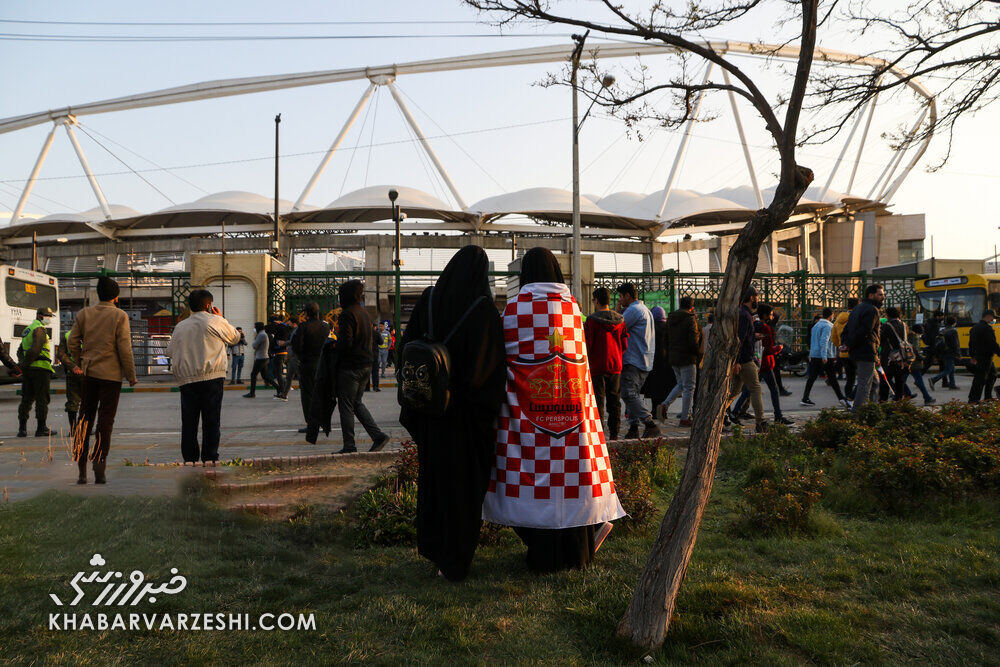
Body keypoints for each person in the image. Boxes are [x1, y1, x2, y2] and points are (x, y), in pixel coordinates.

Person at [483, 247, 624, 573]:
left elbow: (507, 358)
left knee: (535, 487)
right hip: (573, 416)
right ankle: (580, 550)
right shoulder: (573, 310)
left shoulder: (515, 311)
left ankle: (542, 552)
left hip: (530, 420)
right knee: (572, 482)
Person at [398, 246, 506, 582]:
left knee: (434, 482)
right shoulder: (482, 307)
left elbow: (406, 350)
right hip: (465, 420)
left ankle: (433, 549)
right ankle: (454, 562)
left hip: (430, 414)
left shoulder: (429, 298)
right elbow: (488, 370)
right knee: (464, 488)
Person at [68, 276, 138, 484]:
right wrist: (131, 375)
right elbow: (124, 347)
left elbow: (73, 342)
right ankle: (99, 468)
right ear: (116, 296)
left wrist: (82, 360)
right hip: (111, 376)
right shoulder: (120, 316)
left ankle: (81, 470)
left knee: (84, 418)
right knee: (105, 420)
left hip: (89, 374)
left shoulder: (84, 314)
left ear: (98, 294)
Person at [167, 289, 242, 465]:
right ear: (209, 305)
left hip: (187, 380)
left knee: (189, 422)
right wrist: (221, 317)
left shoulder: (180, 326)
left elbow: (170, 351)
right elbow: (235, 337)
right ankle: (210, 457)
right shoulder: (215, 321)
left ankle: (190, 459)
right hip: (212, 377)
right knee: (211, 420)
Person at [335, 280, 389, 454]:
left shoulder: (347, 314)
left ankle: (349, 445)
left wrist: (334, 346)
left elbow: (346, 343)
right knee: (356, 403)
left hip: (350, 367)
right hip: (366, 365)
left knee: (346, 405)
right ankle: (378, 436)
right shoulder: (364, 313)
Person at [732, 304, 793, 425]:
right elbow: (769, 349)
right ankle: (776, 416)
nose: (772, 316)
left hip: (756, 361)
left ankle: (735, 412)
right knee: (771, 390)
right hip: (765, 363)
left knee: (749, 390)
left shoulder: (753, 324)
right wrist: (779, 348)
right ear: (765, 315)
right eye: (770, 314)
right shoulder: (765, 328)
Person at [616, 282, 660, 439]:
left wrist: (616, 312)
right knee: (633, 393)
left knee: (628, 394)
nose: (620, 300)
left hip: (634, 359)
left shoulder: (634, 310)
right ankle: (633, 427)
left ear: (628, 296)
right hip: (644, 358)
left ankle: (650, 423)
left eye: (621, 297)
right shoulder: (645, 310)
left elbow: (618, 327)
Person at [583, 287, 628, 441]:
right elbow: (624, 343)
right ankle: (614, 434)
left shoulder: (592, 320)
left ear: (596, 301)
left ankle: (599, 435)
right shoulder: (620, 320)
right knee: (615, 401)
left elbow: (588, 344)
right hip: (615, 365)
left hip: (597, 366)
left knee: (598, 402)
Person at [726, 287, 767, 433]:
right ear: (751, 298)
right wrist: (737, 361)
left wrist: (754, 336)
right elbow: (740, 339)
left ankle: (716, 415)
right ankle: (761, 422)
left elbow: (743, 336)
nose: (758, 299)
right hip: (743, 360)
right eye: (757, 296)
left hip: (740, 359)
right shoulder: (744, 314)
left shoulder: (743, 313)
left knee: (734, 391)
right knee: (755, 389)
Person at [658, 296, 702, 427]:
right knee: (689, 387)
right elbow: (693, 339)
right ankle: (685, 417)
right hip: (688, 357)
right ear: (691, 307)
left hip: (674, 357)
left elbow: (665, 338)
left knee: (681, 384)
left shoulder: (671, 318)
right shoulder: (690, 319)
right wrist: (697, 354)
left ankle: (664, 405)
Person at [17, 306, 58, 438]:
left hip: (29, 370)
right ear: (40, 316)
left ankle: (22, 429)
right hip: (40, 369)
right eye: (48, 316)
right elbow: (35, 350)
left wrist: (23, 365)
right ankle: (41, 428)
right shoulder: (39, 329)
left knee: (26, 399)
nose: (49, 319)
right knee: (42, 399)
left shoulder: (27, 329)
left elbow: (20, 350)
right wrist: (25, 365)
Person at [844, 283, 885, 413]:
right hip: (866, 351)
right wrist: (849, 344)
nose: (883, 297)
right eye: (880, 294)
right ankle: (857, 413)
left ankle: (873, 410)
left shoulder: (857, 309)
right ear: (871, 295)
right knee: (864, 384)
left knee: (874, 382)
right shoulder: (872, 310)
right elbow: (865, 331)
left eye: (883, 294)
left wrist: (846, 344)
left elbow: (847, 329)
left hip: (857, 352)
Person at [291, 302, 331, 434]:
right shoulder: (325, 327)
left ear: (307, 313)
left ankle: (312, 424)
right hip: (322, 364)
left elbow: (297, 347)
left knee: (308, 395)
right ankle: (324, 421)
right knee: (321, 394)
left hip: (307, 364)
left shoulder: (303, 327)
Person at [800, 307, 849, 408]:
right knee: (832, 378)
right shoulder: (828, 326)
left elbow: (814, 341)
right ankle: (841, 399)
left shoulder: (816, 325)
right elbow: (824, 341)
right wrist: (824, 356)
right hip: (825, 355)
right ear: (831, 315)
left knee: (812, 378)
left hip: (815, 355)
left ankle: (805, 398)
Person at [642, 306, 675, 421]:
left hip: (653, 361)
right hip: (666, 362)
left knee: (654, 388)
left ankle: (654, 410)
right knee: (664, 388)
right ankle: (662, 409)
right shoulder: (668, 327)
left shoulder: (650, 328)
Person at [968, 309, 1000, 403]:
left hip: (978, 357)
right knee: (980, 378)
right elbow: (992, 344)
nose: (993, 319)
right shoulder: (987, 329)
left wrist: (973, 356)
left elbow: (971, 344)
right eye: (993, 317)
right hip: (985, 357)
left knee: (992, 374)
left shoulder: (974, 328)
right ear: (988, 316)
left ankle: (988, 396)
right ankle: (974, 399)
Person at [878, 306, 910, 402]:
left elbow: (881, 340)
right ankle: (899, 402)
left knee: (885, 381)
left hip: (889, 358)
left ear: (887, 315)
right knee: (900, 381)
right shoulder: (904, 325)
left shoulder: (886, 326)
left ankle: (883, 401)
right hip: (902, 357)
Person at [244, 321, 281, 398]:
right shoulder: (263, 334)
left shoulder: (261, 335)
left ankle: (252, 393)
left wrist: (255, 340)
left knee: (253, 374)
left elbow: (254, 346)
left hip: (261, 358)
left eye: (255, 327)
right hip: (264, 358)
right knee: (265, 376)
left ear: (258, 327)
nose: (254, 328)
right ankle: (278, 388)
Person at [57, 329, 83, 432]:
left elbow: (61, 354)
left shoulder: (67, 335)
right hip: (87, 371)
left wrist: (72, 367)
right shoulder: (91, 332)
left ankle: (73, 429)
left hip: (73, 372)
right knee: (88, 401)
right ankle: (84, 428)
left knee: (72, 400)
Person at [832, 298, 857, 396]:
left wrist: (840, 346)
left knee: (850, 379)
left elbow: (833, 337)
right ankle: (853, 397)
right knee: (863, 378)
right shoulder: (855, 317)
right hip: (855, 352)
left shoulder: (838, 319)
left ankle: (848, 397)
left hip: (843, 353)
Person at [907, 324, 935, 405]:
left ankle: (906, 394)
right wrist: (922, 357)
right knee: (919, 381)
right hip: (915, 363)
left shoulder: (909, 336)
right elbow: (915, 349)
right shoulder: (915, 337)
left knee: (903, 379)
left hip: (909, 361)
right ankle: (927, 398)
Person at [929, 316, 960, 391]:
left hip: (943, 352)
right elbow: (956, 344)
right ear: (954, 323)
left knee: (951, 369)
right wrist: (958, 354)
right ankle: (933, 380)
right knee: (948, 369)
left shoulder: (943, 331)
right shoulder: (953, 331)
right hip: (950, 352)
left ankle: (952, 384)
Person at [265, 314, 291, 401]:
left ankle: (282, 392)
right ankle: (282, 390)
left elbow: (267, 328)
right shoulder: (284, 327)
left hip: (279, 352)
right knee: (278, 373)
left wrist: (276, 323)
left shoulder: (280, 327)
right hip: (282, 352)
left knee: (278, 373)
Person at [368, 322, 382, 392]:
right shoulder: (376, 333)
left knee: (366, 371)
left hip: (366, 354)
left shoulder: (364, 333)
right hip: (374, 354)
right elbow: (381, 342)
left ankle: (366, 387)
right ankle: (375, 386)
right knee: (375, 371)